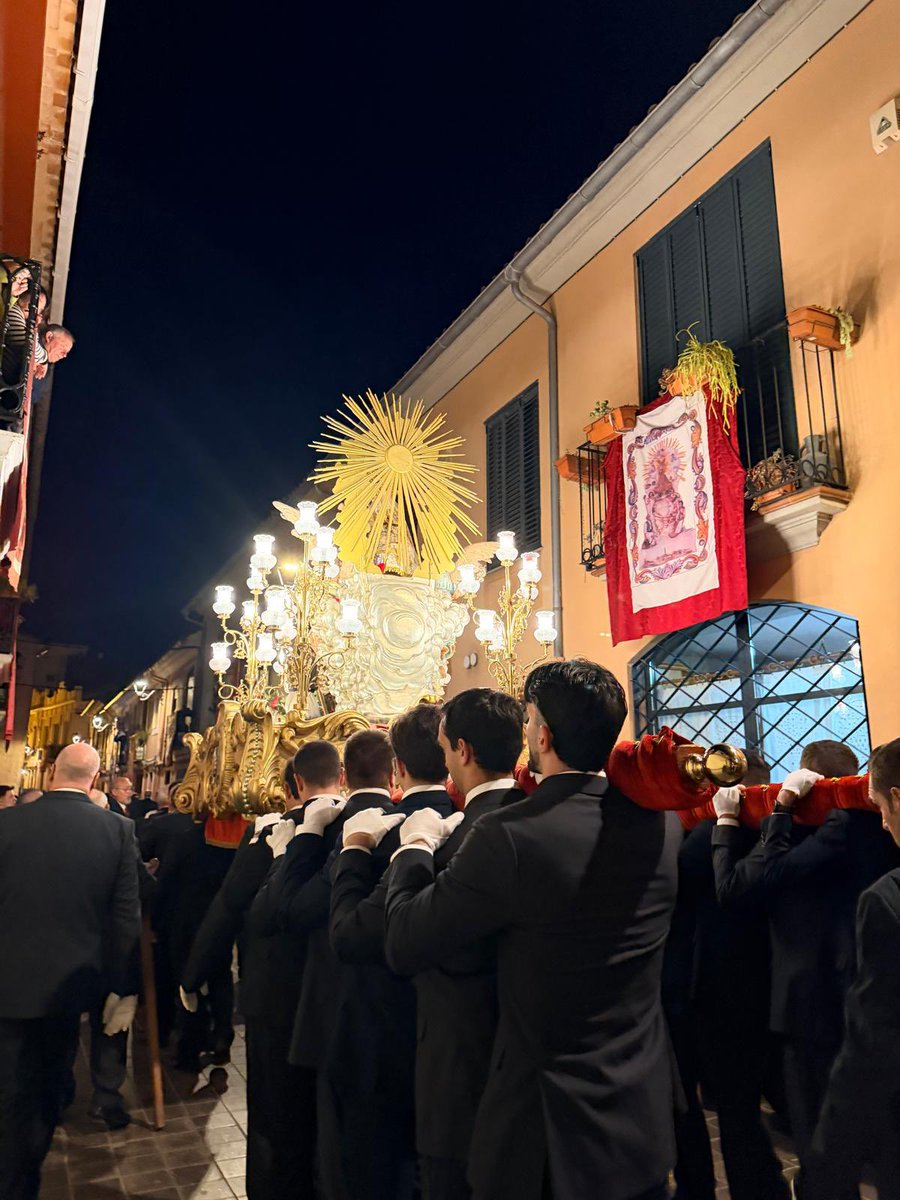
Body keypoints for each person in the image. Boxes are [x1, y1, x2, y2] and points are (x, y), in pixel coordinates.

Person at [384, 660, 681, 1200]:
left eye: (528, 723)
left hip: (549, 1133)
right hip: (638, 1113)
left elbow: (406, 939)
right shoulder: (663, 824)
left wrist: (413, 849)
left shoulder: (513, 834)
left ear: (542, 736)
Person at [712, 740, 898, 1192]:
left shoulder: (838, 825)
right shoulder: (875, 824)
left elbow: (760, 880)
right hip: (854, 987)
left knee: (820, 1125)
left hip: (817, 995)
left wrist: (780, 809)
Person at [181, 747, 333, 1200]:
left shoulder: (269, 835)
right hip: (334, 998)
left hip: (276, 1000)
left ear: (294, 787)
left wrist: (193, 975)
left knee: (273, 1115)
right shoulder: (358, 823)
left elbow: (227, 908)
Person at [250, 730, 393, 1200]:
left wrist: (299, 840)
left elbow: (284, 912)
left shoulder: (330, 827)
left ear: (346, 777)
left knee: (330, 1149)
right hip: (399, 1013)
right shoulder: (432, 817)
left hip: (328, 1007)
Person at [0, 743, 141, 1199]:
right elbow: (124, 919)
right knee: (44, 1088)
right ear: (96, 779)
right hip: (67, 987)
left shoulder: (6, 823)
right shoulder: (117, 830)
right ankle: (22, 1178)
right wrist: (120, 988)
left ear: (50, 772)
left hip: (5, 978)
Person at [329, 704, 454, 1200]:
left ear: (397, 767)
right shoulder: (479, 821)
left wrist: (353, 850)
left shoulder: (380, 832)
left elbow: (349, 935)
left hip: (379, 1023)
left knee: (382, 1165)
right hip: (455, 1031)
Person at [408, 688, 524, 1200]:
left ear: (463, 751)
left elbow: (405, 941)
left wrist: (411, 852)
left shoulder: (468, 838)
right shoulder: (535, 814)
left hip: (464, 1060)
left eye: (445, 746)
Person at [671, 749, 789, 1200]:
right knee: (737, 1106)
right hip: (744, 979)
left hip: (712, 984)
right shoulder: (776, 833)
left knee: (721, 1104)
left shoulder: (712, 835)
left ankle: (737, 1186)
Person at [797, 738, 900, 1200]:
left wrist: (826, 1163)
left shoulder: (887, 900)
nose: (881, 821)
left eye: (880, 805)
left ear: (897, 799)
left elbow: (870, 1051)